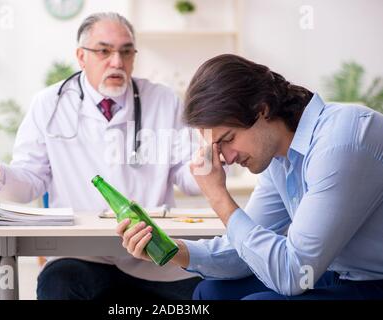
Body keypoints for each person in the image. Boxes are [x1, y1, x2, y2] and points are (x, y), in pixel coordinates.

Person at [0, 12, 203, 300]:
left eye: (126, 51)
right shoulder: (49, 105)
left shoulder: (164, 101)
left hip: (153, 256)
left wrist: (211, 159)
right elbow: (30, 181)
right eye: (104, 51)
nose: (117, 61)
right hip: (81, 255)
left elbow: (189, 180)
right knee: (58, 286)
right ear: (81, 56)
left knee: (203, 294)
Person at [117, 53, 383, 300]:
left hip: (372, 281)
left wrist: (218, 196)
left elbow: (292, 274)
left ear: (262, 109)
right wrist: (170, 250)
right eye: (217, 148)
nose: (227, 158)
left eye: (228, 140)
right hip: (337, 274)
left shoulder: (342, 142)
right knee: (210, 294)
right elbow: (242, 254)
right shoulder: (279, 159)